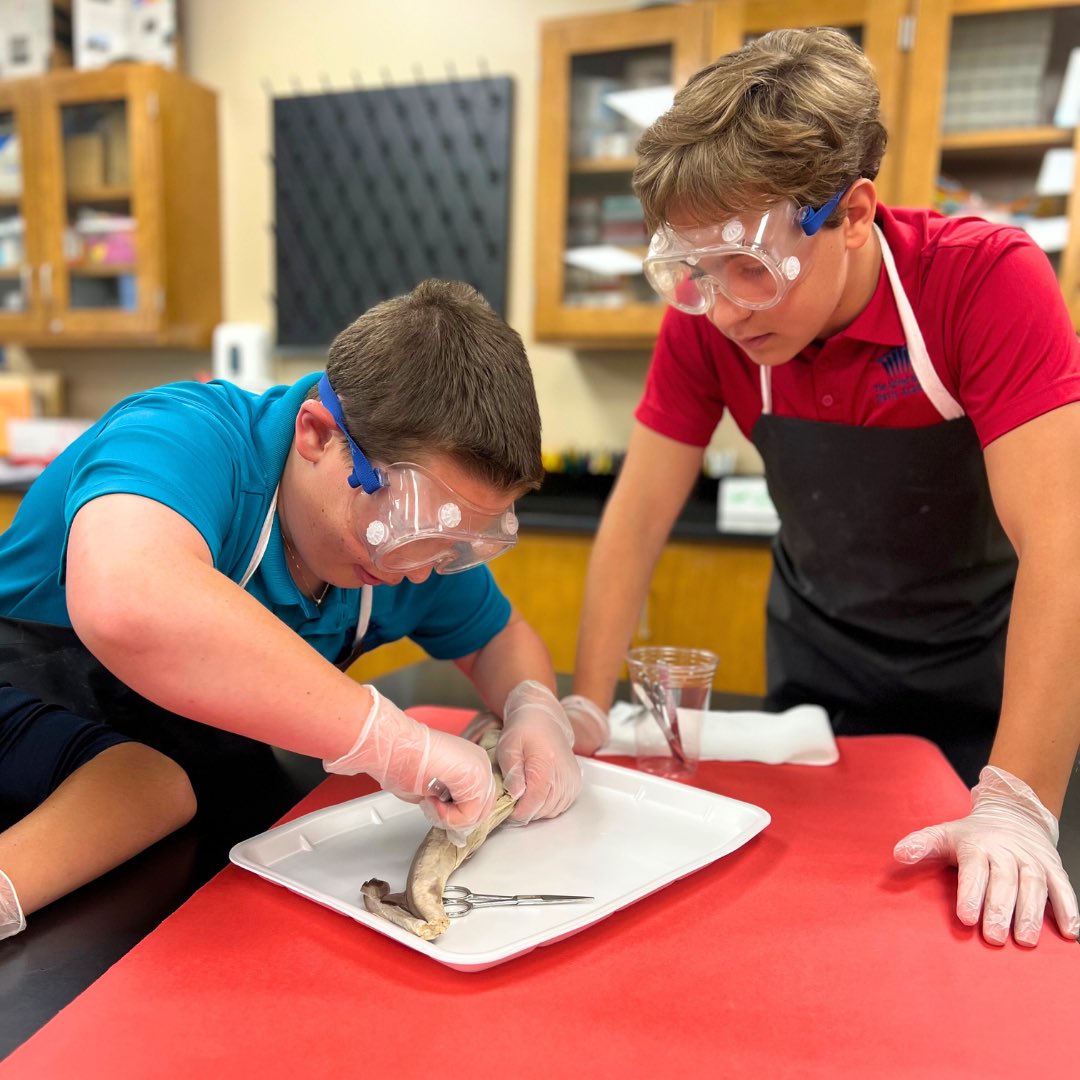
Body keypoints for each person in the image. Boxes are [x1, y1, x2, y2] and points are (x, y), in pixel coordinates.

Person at [560, 28, 1080, 948]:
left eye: (751, 268)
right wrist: (587, 713)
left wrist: (1018, 796)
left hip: (988, 687)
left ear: (852, 214)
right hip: (821, 673)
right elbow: (636, 519)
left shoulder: (982, 282)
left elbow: (1064, 542)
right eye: (695, 271)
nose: (720, 308)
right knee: (805, 931)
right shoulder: (715, 327)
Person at [0, 279, 582, 942]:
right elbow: (127, 601)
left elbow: (497, 639)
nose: (421, 569)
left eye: (460, 545)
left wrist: (536, 711)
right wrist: (385, 741)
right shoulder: (183, 437)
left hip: (153, 838)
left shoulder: (405, 551)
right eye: (410, 526)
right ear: (316, 434)